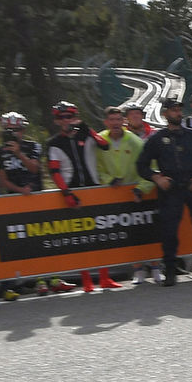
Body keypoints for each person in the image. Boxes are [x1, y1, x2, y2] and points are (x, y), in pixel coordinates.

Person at [136, 97, 192, 286]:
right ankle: (170, 270)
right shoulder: (157, 139)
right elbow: (141, 165)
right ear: (165, 114)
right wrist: (157, 178)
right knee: (169, 231)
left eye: (179, 109)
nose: (177, 113)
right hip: (171, 189)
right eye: (173, 110)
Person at [46, 102, 121, 292]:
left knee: (100, 235)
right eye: (62, 118)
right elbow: (54, 171)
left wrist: (87, 128)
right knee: (80, 238)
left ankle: (105, 278)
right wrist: (66, 193)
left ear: (75, 117)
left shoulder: (86, 133)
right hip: (73, 192)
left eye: (69, 116)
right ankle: (86, 280)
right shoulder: (53, 143)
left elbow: (104, 145)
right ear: (57, 121)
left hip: (93, 188)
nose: (66, 121)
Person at [96, 106, 158, 285]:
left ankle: (155, 267)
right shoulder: (100, 140)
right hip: (114, 194)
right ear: (106, 122)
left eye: (118, 120)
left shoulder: (134, 141)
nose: (115, 123)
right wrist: (108, 180)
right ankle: (137, 270)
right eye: (112, 120)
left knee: (147, 229)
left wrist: (142, 188)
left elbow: (148, 167)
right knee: (127, 233)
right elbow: (97, 168)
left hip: (138, 192)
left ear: (123, 122)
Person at [0, 111, 45, 195]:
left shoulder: (33, 146)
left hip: (36, 193)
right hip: (14, 197)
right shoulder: (0, 151)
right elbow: (2, 180)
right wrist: (20, 190)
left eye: (16, 130)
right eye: (8, 130)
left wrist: (19, 154)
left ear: (23, 130)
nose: (13, 133)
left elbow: (35, 169)